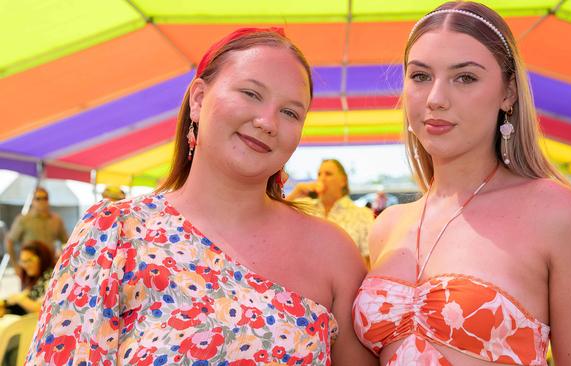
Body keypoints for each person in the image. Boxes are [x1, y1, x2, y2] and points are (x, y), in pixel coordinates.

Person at [26, 28, 374, 365]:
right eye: (251, 94)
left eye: (290, 112)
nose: (268, 122)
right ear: (198, 99)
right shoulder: (114, 234)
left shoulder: (334, 254)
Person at [352, 2, 571, 365]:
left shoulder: (559, 213)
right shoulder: (389, 225)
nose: (436, 99)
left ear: (508, 94)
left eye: (465, 78)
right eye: (420, 76)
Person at [287, 159, 375, 265]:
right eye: (319, 174)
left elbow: (369, 261)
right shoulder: (304, 207)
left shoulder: (363, 214)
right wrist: (296, 193)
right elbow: (274, 219)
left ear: (343, 181)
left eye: (328, 174)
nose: (321, 178)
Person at [5, 187, 67, 270]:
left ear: (48, 200)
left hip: (50, 267)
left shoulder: (56, 220)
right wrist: (15, 266)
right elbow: (9, 242)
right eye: (38, 198)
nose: (42, 201)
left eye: (45, 198)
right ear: (32, 201)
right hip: (29, 269)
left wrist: (61, 255)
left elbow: (66, 242)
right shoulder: (23, 219)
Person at [0, 240, 54, 317]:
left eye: (29, 260)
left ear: (42, 258)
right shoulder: (34, 278)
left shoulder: (50, 278)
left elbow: (42, 308)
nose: (25, 265)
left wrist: (20, 299)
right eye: (23, 261)